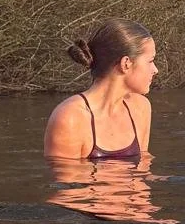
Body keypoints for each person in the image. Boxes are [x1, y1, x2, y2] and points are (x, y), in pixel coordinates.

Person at [43, 20, 156, 162]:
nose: (155, 70)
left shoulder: (140, 107)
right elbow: (68, 181)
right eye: (150, 61)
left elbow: (143, 169)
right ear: (126, 63)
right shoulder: (70, 118)